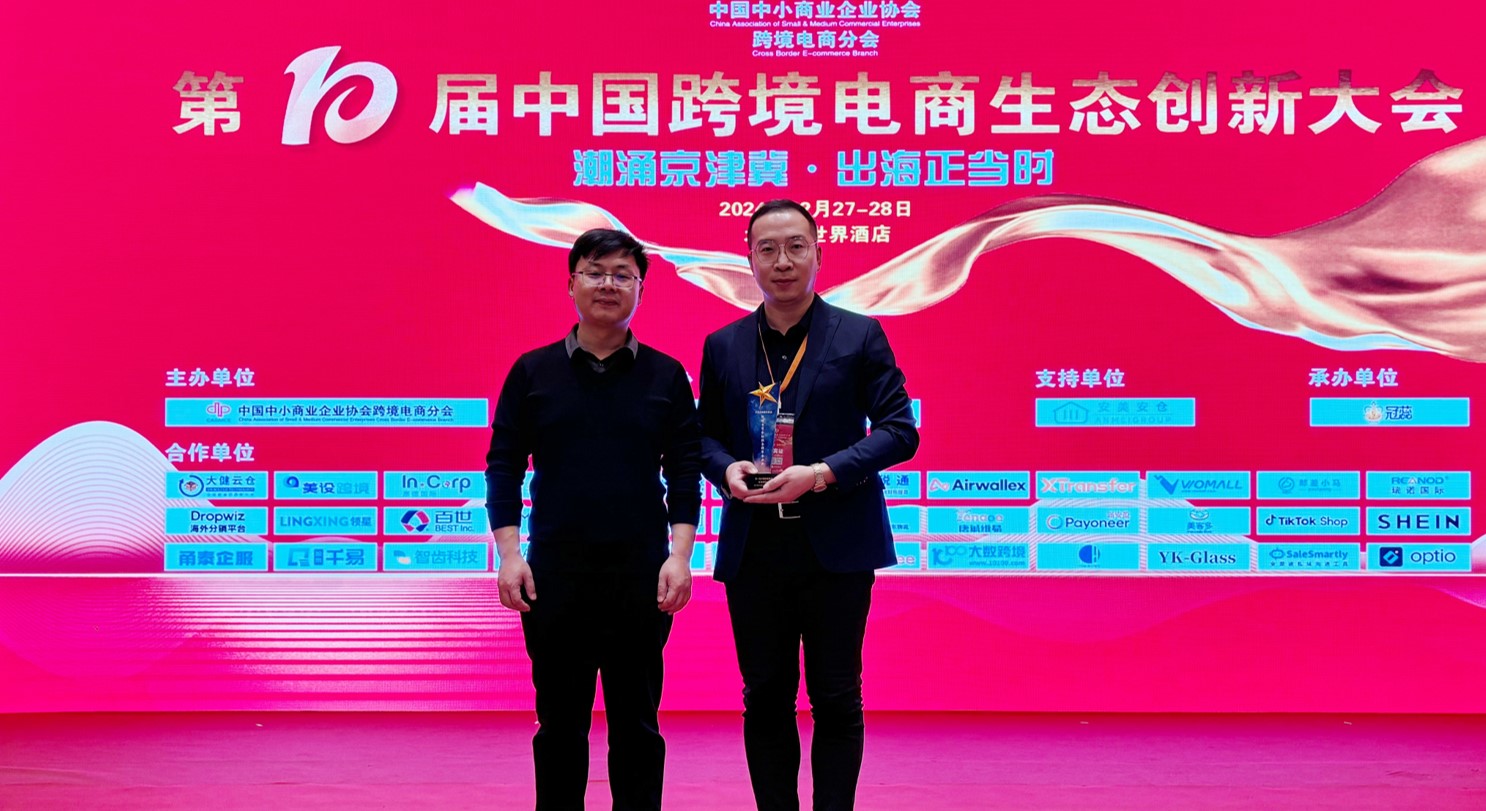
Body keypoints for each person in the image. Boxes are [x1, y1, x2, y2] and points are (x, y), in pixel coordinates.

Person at [698, 200, 920, 810]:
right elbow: (703, 437)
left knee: (837, 697)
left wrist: (822, 473)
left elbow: (899, 430)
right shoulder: (724, 345)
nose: (783, 261)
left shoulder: (859, 334)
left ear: (819, 253)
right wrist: (725, 468)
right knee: (765, 698)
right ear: (749, 259)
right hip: (756, 546)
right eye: (767, 248)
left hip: (837, 545)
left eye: (796, 246)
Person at [485, 228, 701, 811]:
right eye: (596, 272)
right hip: (554, 576)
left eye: (623, 274)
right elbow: (503, 466)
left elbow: (685, 473)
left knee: (637, 725)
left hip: (641, 577)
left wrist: (680, 557)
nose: (609, 284)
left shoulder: (666, 375)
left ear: (641, 288)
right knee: (559, 724)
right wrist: (510, 555)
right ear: (572, 283)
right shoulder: (532, 372)